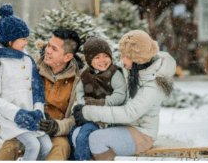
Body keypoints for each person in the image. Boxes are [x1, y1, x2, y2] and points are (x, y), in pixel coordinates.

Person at [0, 27, 83, 160]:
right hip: (23, 125)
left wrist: (56, 126)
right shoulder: (29, 63)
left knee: (60, 147)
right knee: (11, 147)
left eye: (54, 49)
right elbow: (0, 90)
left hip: (55, 132)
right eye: (49, 45)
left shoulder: (78, 80)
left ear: (67, 57)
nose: (47, 50)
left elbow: (75, 118)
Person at [73, 30, 176, 160]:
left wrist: (88, 112)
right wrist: (81, 105)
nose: (121, 58)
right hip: (116, 125)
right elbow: (98, 87)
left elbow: (129, 113)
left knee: (96, 139)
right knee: (78, 134)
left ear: (137, 60)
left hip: (141, 133)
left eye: (124, 55)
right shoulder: (126, 70)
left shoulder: (154, 84)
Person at [0, 4, 52, 160]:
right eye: (23, 39)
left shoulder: (27, 60)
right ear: (9, 40)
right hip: (12, 120)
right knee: (33, 145)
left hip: (33, 117)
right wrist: (18, 115)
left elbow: (37, 90)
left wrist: (38, 111)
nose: (26, 43)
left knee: (46, 146)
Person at [69, 37, 126, 160]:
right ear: (90, 60)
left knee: (83, 136)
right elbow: (79, 91)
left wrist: (104, 103)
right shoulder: (85, 74)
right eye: (97, 57)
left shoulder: (114, 73)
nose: (103, 60)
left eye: (106, 56)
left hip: (105, 116)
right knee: (72, 135)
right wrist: (83, 104)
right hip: (87, 114)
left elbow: (120, 94)